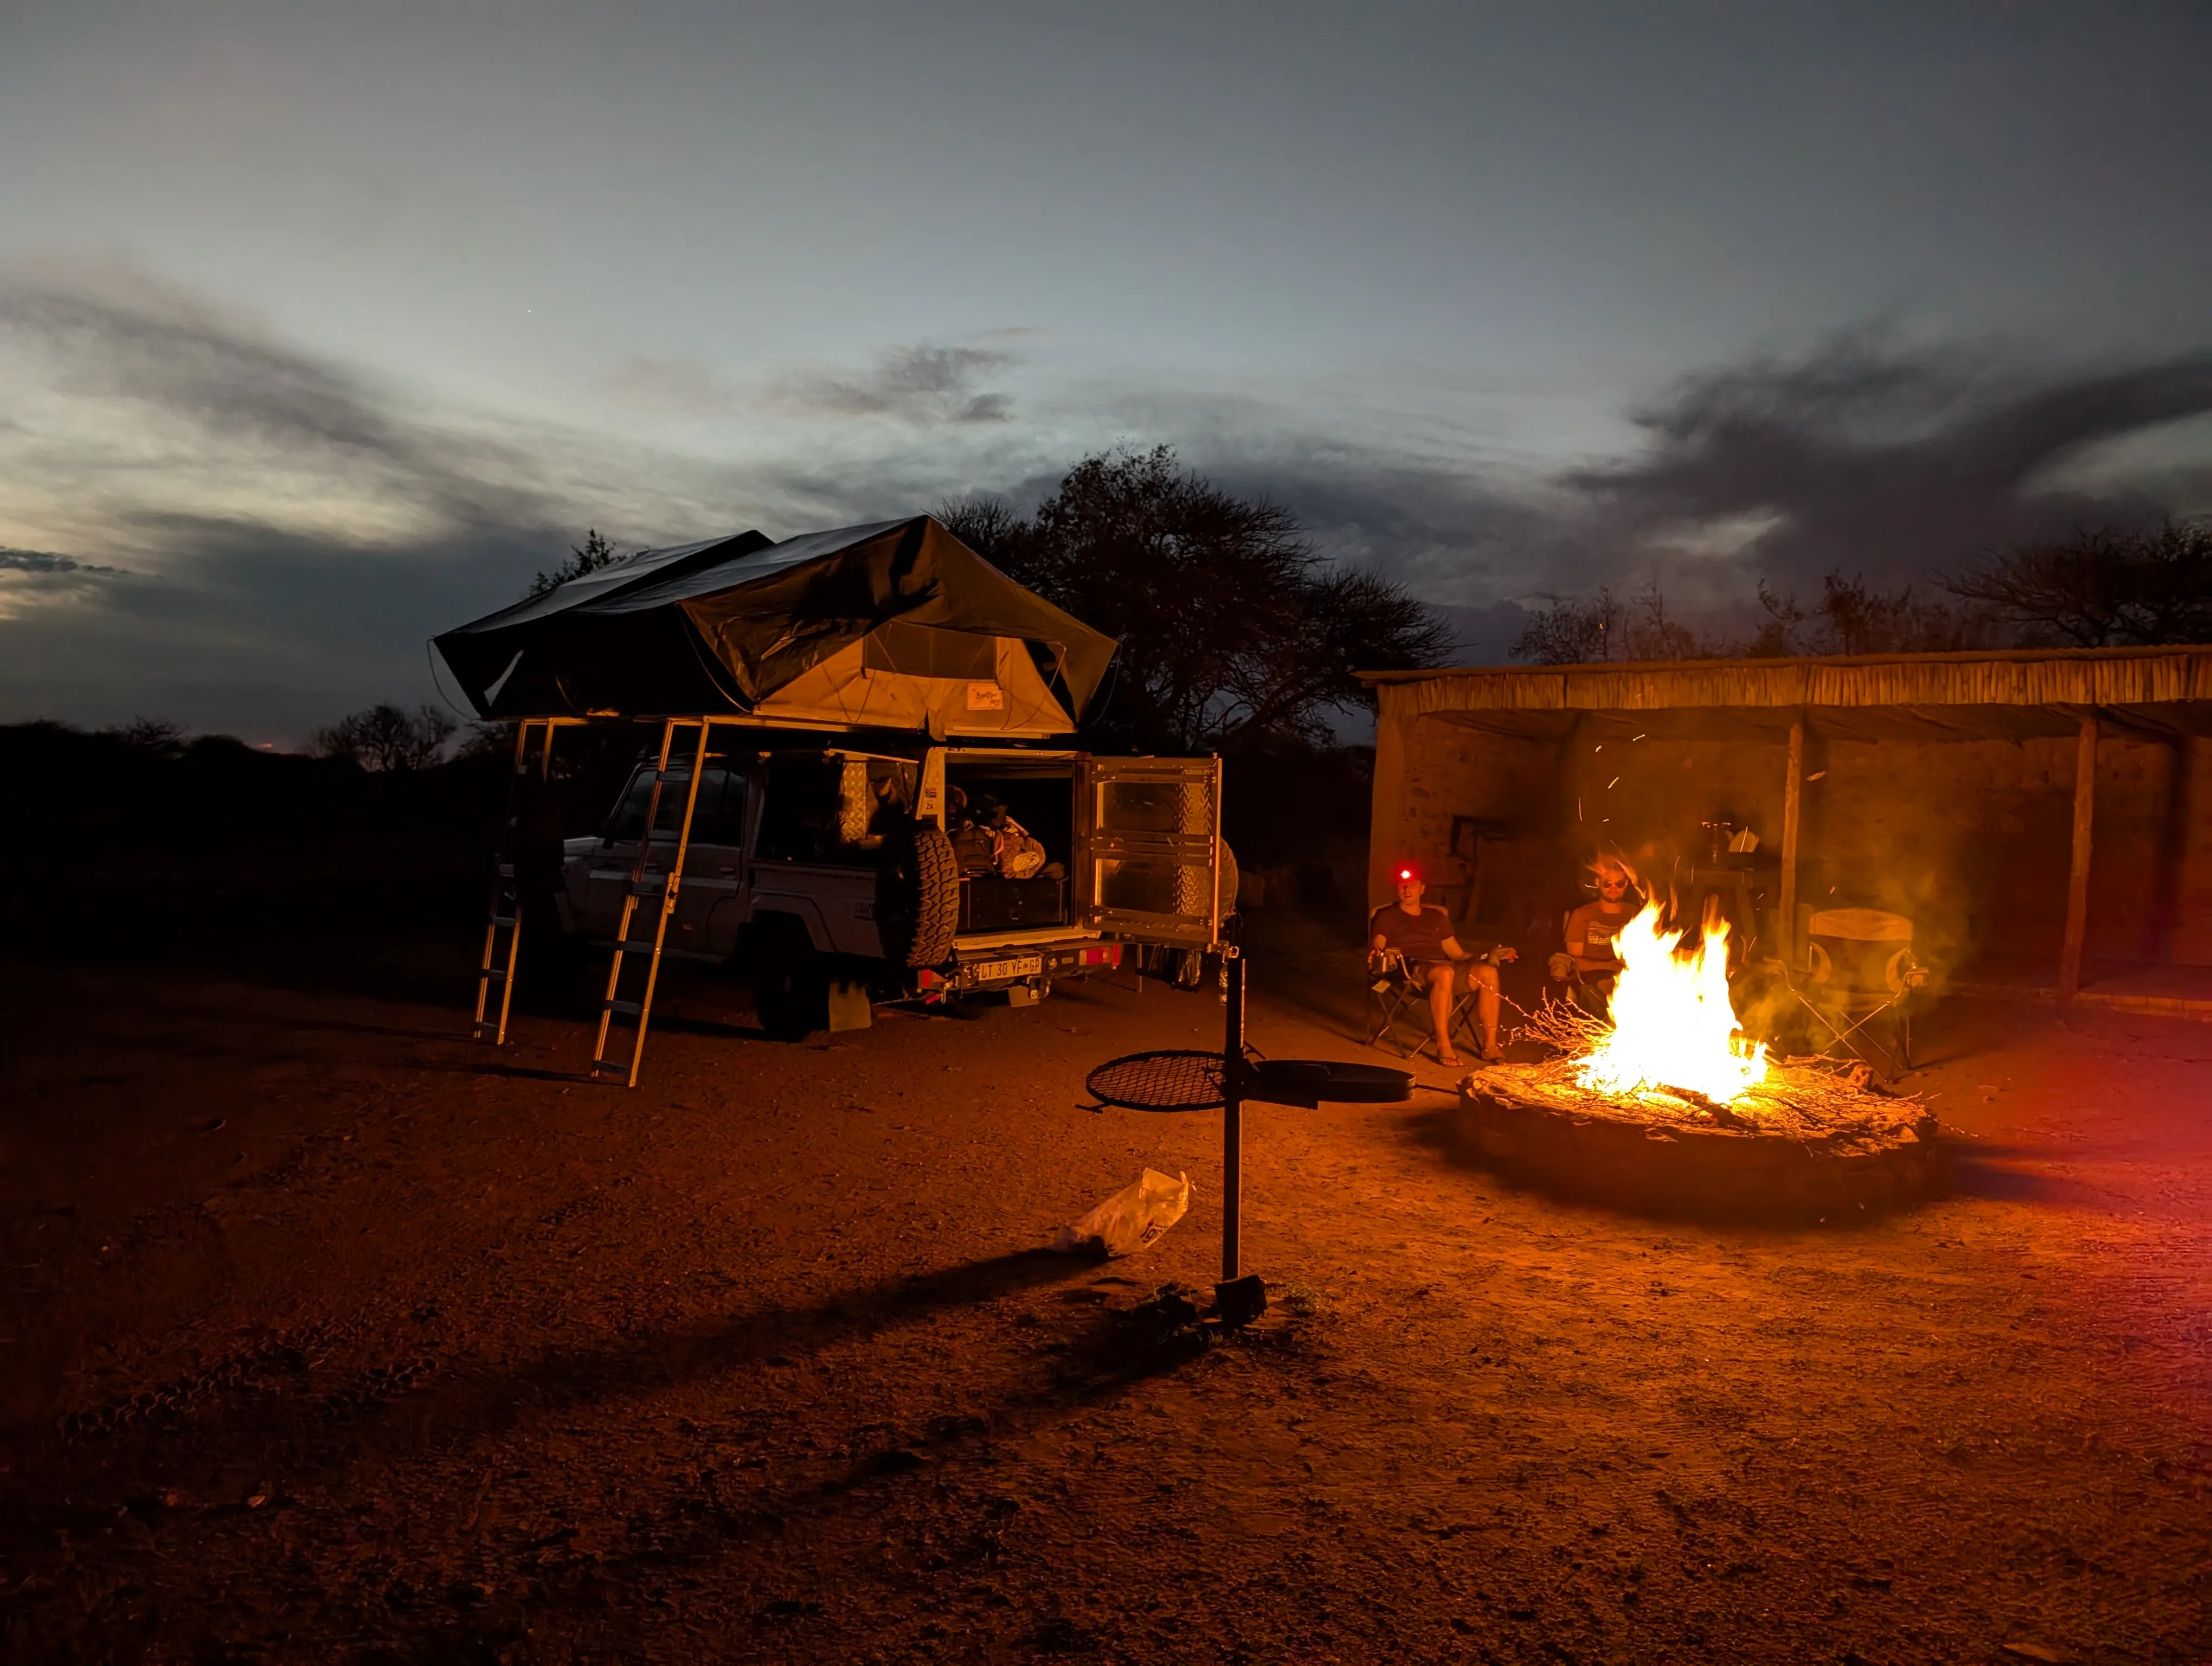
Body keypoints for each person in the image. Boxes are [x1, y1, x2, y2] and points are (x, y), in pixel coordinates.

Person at [1369, 864, 1517, 1066]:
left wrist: (1486, 956)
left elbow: (1456, 953)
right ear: (1397, 889)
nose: (1407, 890)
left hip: (1444, 968)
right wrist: (1378, 949)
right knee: (1445, 972)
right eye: (1403, 886)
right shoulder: (1387, 916)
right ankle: (1443, 1044)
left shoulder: (1436, 917)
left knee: (1488, 972)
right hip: (1412, 970)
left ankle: (1490, 1046)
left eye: (1412, 885)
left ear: (1422, 889)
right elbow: (1380, 940)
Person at [1551, 853, 1642, 1013]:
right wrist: (1608, 966)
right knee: (1608, 986)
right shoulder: (1582, 915)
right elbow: (1574, 961)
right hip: (1594, 975)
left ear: (1626, 884)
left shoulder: (1638, 914)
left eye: (1619, 883)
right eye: (1608, 883)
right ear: (1598, 883)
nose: (1613, 888)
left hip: (1630, 972)